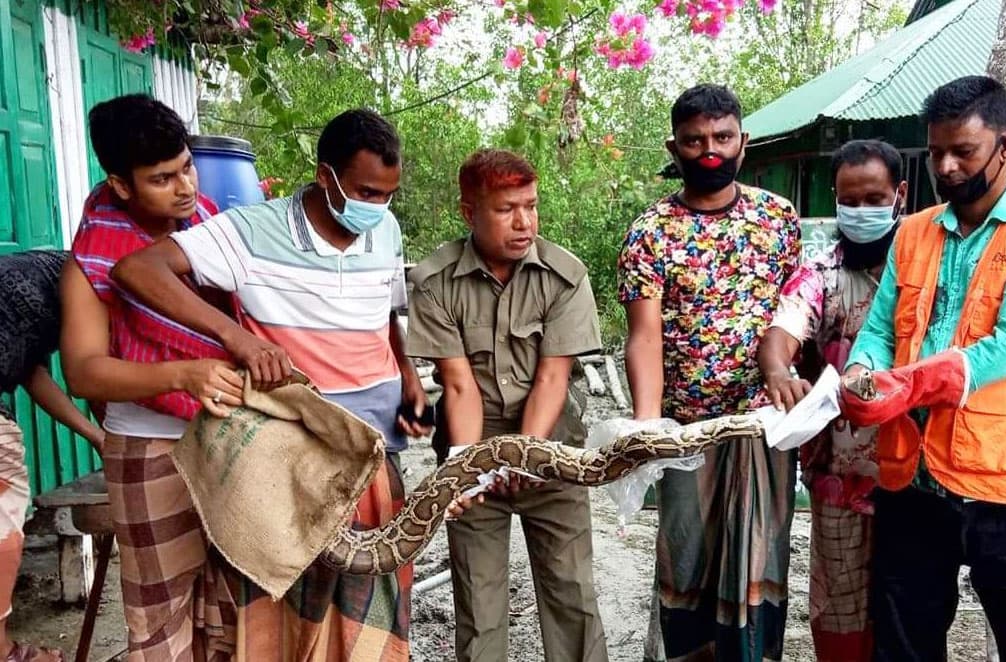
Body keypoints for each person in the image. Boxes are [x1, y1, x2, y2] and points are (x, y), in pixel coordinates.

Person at [112, 108, 430, 660]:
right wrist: (239, 340)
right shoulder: (251, 231)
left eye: (387, 195)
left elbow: (386, 315)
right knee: (287, 614)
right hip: (295, 464)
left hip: (376, 453)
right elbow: (137, 271)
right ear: (325, 176)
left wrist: (407, 378)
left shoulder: (386, 230)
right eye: (365, 193)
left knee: (370, 619)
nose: (377, 208)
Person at [838, 75, 1006, 662]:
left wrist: (902, 386)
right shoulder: (912, 232)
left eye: (965, 152)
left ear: (1005, 148)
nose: (948, 167)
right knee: (903, 641)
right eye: (936, 153)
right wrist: (861, 374)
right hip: (913, 474)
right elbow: (881, 330)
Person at [618, 83, 803, 661]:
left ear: (743, 142)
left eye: (722, 137)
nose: (710, 151)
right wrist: (649, 429)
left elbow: (800, 315)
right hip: (687, 436)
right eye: (695, 141)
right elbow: (644, 337)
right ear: (674, 147)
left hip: (763, 430)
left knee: (757, 563)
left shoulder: (778, 219)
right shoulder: (650, 232)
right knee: (688, 563)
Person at [406, 148, 608, 662]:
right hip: (471, 443)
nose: (524, 222)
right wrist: (469, 470)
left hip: (553, 450)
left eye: (532, 206)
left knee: (572, 594)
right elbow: (458, 386)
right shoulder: (434, 281)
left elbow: (552, 377)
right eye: (505, 209)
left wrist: (524, 454)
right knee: (479, 602)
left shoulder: (566, 276)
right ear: (469, 212)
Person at [60, 94, 243, 660]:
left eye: (186, 167)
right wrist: (181, 374)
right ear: (120, 184)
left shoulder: (209, 226)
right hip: (148, 446)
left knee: (234, 601)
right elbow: (84, 373)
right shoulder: (91, 262)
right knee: (160, 611)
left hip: (227, 434)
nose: (185, 187)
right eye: (162, 178)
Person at [757, 139, 906, 661]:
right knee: (839, 609)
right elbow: (784, 329)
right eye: (849, 200)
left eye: (874, 198)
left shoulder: (923, 269)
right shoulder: (819, 273)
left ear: (899, 196)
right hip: (840, 477)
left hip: (913, 474)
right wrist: (777, 369)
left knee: (910, 609)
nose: (861, 211)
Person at [0, 251, 105, 662]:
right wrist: (110, 432)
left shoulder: (43, 278)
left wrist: (95, 436)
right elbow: (93, 376)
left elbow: (33, 375)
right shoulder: (92, 288)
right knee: (3, 518)